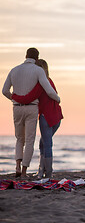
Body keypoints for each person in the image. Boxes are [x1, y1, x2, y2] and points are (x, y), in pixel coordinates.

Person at [2, 48, 60, 178]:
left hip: (16, 107)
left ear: (25, 55)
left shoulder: (14, 70)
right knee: (29, 140)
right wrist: (58, 98)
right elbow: (49, 91)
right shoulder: (38, 70)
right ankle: (24, 172)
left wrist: (15, 99)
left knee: (19, 139)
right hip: (31, 108)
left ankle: (17, 165)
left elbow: (5, 90)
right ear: (37, 58)